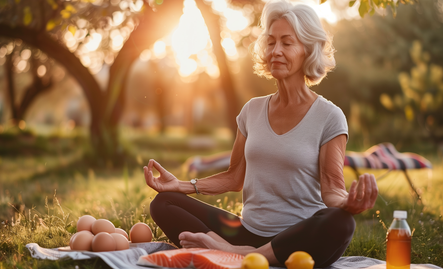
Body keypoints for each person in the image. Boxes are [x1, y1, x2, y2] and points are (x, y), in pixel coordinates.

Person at [143, 0, 378, 267]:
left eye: (287, 43)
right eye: (270, 42)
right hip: (246, 232)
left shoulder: (329, 116)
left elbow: (332, 190)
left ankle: (236, 254)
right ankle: (228, 248)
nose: (276, 51)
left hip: (298, 239)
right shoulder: (251, 110)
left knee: (340, 221)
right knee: (164, 203)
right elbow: (234, 178)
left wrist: (349, 203)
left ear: (308, 50)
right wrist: (181, 186)